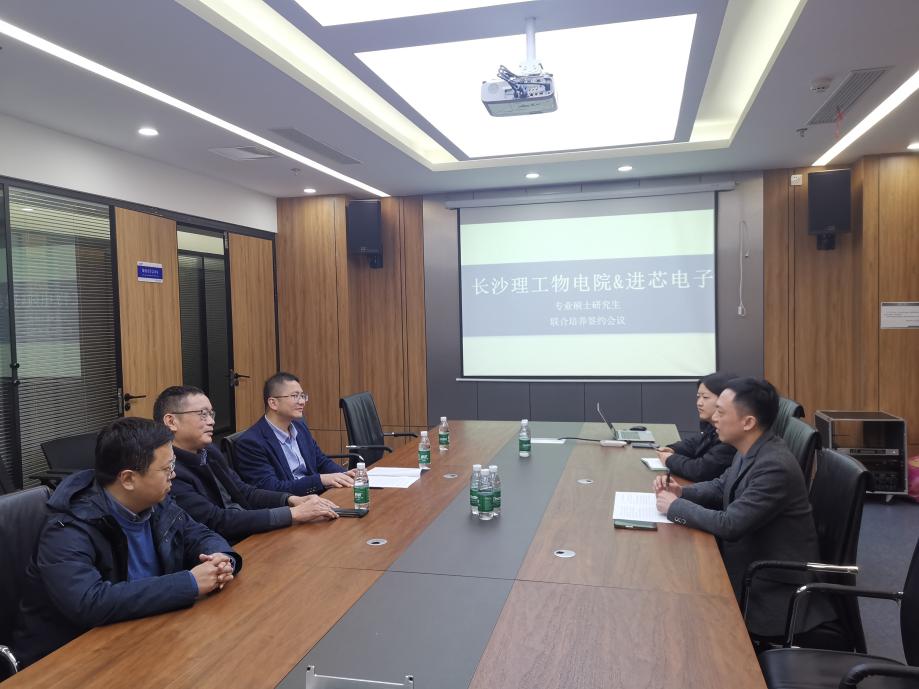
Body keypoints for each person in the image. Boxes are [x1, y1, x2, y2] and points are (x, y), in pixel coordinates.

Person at [12, 418, 240, 668]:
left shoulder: (156, 501)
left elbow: (199, 534)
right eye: (166, 468)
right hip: (70, 659)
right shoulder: (67, 526)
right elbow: (89, 602)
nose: (173, 474)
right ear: (129, 479)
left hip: (145, 633)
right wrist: (190, 583)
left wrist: (221, 558)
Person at [653, 377, 834, 640]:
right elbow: (720, 485)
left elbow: (730, 525)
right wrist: (682, 492)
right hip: (748, 565)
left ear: (748, 422)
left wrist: (676, 507)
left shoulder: (774, 466)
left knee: (679, 614)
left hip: (770, 590)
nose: (714, 418)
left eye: (721, 412)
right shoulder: (751, 447)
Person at [154, 386, 339, 544]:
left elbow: (244, 491)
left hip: (249, 533)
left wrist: (291, 500)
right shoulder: (168, 471)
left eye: (211, 414)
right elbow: (216, 521)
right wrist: (293, 514)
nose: (211, 421)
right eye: (202, 414)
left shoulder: (208, 451)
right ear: (171, 421)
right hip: (222, 549)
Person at [234, 372, 354, 496]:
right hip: (293, 504)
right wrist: (320, 480)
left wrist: (345, 475)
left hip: (316, 495)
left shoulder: (299, 426)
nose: (302, 402)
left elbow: (320, 461)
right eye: (295, 396)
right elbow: (271, 488)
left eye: (302, 396)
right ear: (273, 403)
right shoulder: (251, 443)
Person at [656, 372, 737, 482]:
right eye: (698, 397)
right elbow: (697, 442)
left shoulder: (731, 434)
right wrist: (673, 449)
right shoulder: (711, 425)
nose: (699, 403)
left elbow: (701, 470)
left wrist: (670, 459)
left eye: (705, 397)